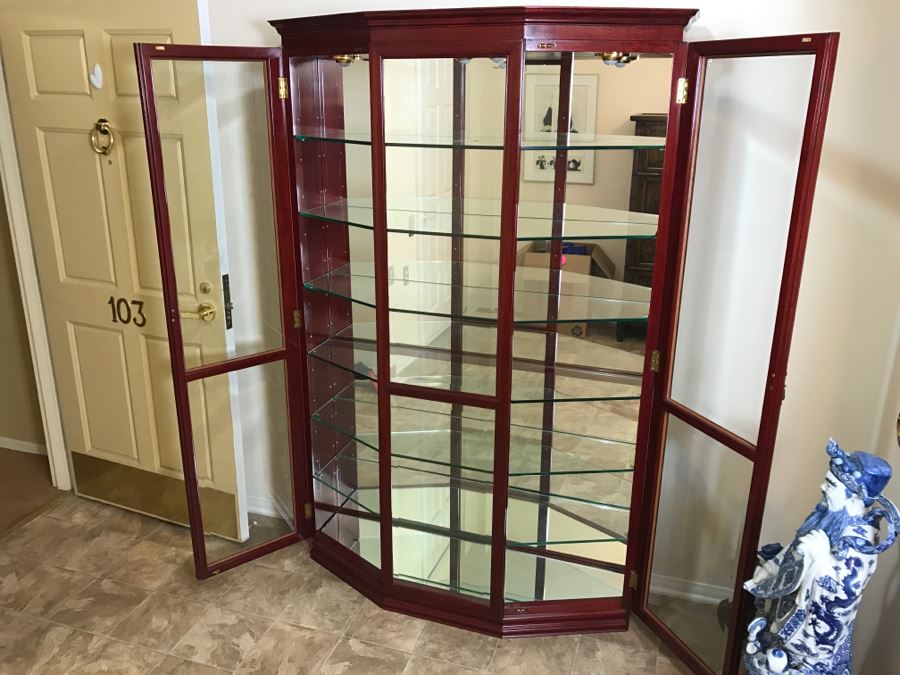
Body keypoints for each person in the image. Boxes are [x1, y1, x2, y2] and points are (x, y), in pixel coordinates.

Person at [743, 439, 899, 674]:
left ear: (853, 497)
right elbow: (797, 545)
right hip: (790, 608)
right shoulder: (829, 513)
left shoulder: (861, 541)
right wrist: (772, 568)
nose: (823, 488)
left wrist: (823, 561)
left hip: (812, 638)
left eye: (830, 484)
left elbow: (844, 596)